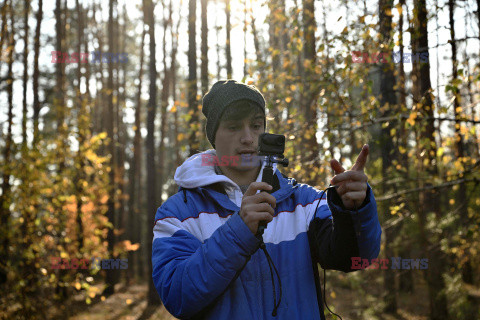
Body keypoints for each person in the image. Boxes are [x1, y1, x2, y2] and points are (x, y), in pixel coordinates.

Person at [152, 80, 382, 319]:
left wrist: (354, 212)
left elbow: (356, 259)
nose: (248, 138)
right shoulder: (178, 213)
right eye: (233, 127)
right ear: (213, 137)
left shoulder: (304, 202)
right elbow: (177, 296)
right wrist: (238, 231)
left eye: (256, 125)